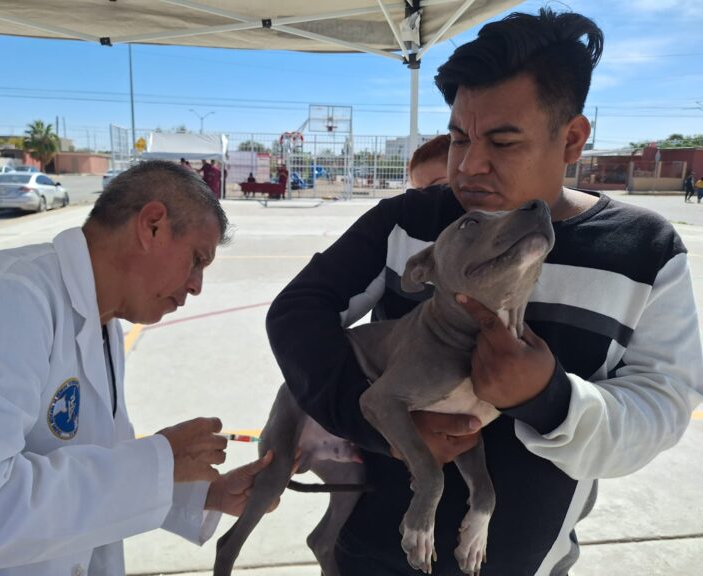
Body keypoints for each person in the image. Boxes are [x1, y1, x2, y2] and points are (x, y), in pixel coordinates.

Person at [266, 8, 703, 576]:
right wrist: (366, 418)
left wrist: (550, 399)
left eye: (502, 141)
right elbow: (298, 313)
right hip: (369, 556)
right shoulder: (408, 223)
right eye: (458, 138)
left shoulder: (644, 251)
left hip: (525, 562)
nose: (469, 165)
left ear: (571, 138)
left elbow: (663, 406)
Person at [0, 160, 278, 575]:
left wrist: (206, 495)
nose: (196, 286)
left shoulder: (102, 322)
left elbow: (99, 464)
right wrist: (160, 461)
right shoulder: (1, 299)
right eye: (196, 260)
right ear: (152, 225)